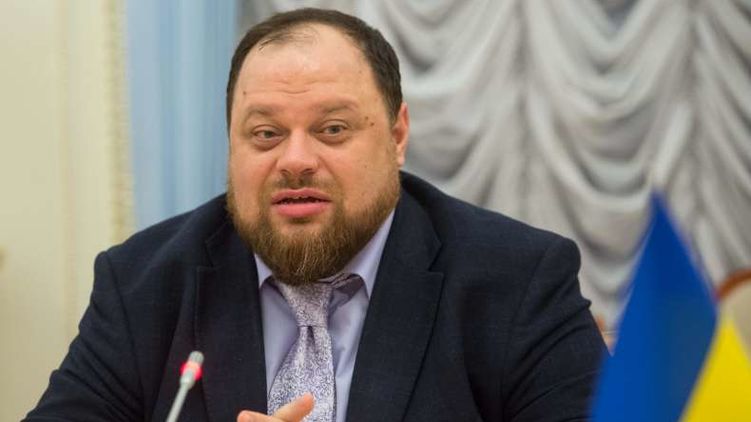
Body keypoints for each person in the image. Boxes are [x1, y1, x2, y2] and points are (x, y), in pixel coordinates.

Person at [26, 8, 606, 422]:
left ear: (397, 136)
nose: (295, 160)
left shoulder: (517, 281)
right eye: (265, 134)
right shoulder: (142, 285)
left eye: (332, 129)